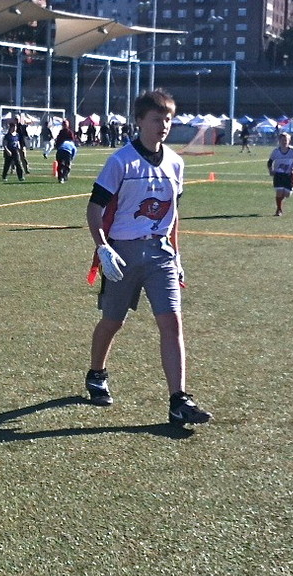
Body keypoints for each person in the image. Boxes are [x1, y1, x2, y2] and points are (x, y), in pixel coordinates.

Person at [84, 89, 212, 427]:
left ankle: (178, 400)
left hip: (160, 255)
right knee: (113, 321)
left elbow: (173, 214)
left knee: (172, 324)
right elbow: (94, 208)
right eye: (157, 119)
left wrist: (177, 253)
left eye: (168, 119)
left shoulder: (175, 162)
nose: (164, 125)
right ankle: (97, 373)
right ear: (139, 121)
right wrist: (103, 248)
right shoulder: (120, 161)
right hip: (122, 253)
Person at [266, 131, 293, 216]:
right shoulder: (276, 151)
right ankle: (279, 210)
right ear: (279, 141)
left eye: (286, 140)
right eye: (282, 140)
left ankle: (281, 203)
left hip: (289, 175)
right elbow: (270, 162)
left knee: (287, 194)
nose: (284, 142)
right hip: (278, 174)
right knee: (279, 191)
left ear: (289, 141)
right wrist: (271, 170)